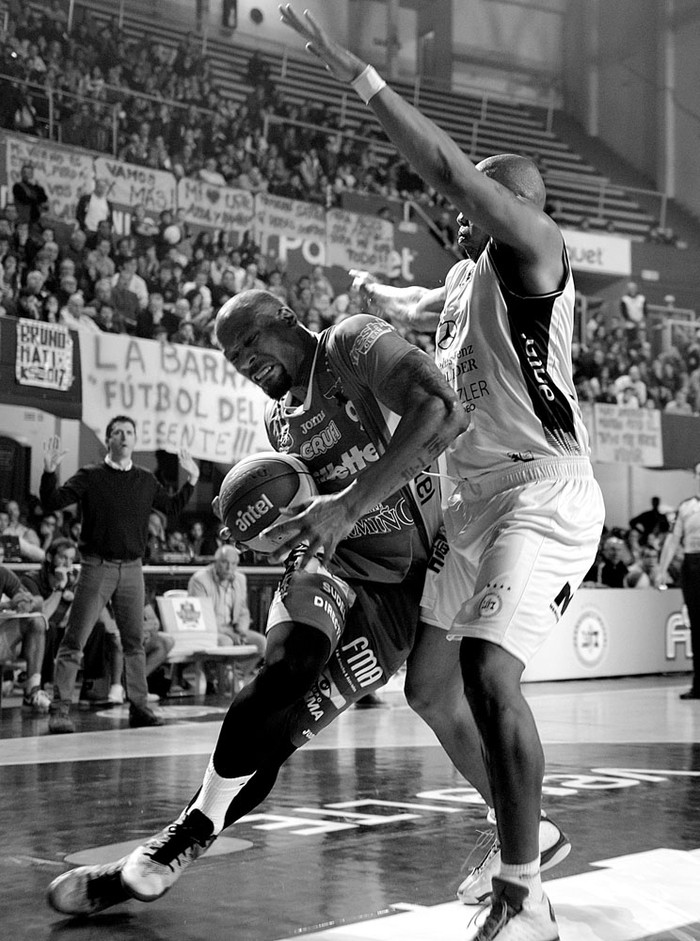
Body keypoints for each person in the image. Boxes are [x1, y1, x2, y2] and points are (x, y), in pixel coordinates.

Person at [47, 289, 568, 918]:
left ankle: (525, 830)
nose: (244, 361)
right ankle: (177, 843)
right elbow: (303, 509)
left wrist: (348, 502)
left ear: (288, 322)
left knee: (282, 736)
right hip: (334, 561)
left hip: (407, 586)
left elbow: (442, 409)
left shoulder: (352, 343)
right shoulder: (278, 425)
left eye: (249, 343)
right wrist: (262, 523)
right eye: (232, 358)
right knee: (288, 670)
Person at [265, 10, 604, 939]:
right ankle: (529, 831)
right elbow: (433, 299)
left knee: (494, 669)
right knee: (429, 685)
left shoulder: (534, 251)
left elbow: (454, 173)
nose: (464, 209)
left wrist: (360, 76)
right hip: (475, 502)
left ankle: (524, 885)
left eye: (486, 197)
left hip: (541, 489)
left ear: (520, 204)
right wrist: (381, 294)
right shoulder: (466, 281)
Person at [40, 415, 199, 733]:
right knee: (75, 641)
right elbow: (52, 501)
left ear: (134, 440)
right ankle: (60, 709)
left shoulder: (145, 480)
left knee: (135, 643)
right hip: (96, 567)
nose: (124, 437)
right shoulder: (90, 475)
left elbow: (170, 508)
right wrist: (49, 470)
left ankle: (139, 707)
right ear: (108, 440)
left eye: (129, 432)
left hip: (132, 569)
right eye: (117, 432)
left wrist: (192, 480)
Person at [187, 545, 266, 689]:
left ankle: (235, 676)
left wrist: (241, 631)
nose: (230, 567)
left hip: (232, 628)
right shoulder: (200, 580)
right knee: (226, 641)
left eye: (234, 564)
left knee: (262, 643)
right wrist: (229, 633)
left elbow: (243, 611)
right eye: (225, 562)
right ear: (216, 562)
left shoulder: (240, 579)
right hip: (207, 629)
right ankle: (220, 681)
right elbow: (202, 616)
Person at [657, 461, 700, 700]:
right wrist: (662, 569)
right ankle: (698, 684)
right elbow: (673, 540)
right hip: (692, 565)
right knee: (696, 626)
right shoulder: (686, 507)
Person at [0, 561, 50, 713]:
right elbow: (8, 605)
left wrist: (27, 602)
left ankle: (32, 691)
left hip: (3, 637)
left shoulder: (3, 573)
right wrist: (6, 606)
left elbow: (37, 602)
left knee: (36, 622)